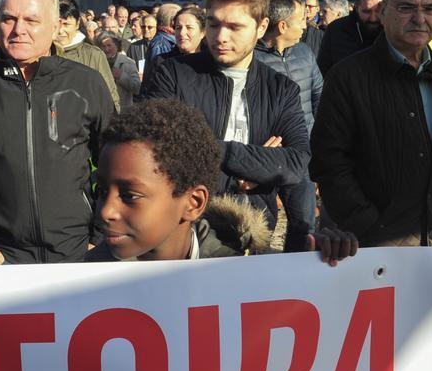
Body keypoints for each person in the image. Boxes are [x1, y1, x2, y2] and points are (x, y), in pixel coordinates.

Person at [0, 0, 114, 265]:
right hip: (1, 257)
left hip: (79, 253)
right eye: (9, 19)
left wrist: (101, 234)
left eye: (32, 20)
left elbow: (113, 163)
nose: (19, 29)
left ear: (56, 25)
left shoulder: (87, 83)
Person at [312, 0, 432, 247]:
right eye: (406, 7)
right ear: (383, 12)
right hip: (378, 247)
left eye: (429, 8)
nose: (419, 18)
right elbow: (329, 161)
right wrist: (368, 224)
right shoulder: (348, 77)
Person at [87, 98, 356, 264]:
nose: (105, 211)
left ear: (193, 203)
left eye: (130, 195)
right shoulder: (80, 285)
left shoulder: (245, 275)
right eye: (101, 191)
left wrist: (323, 269)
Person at [141, 0, 310, 233]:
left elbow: (296, 162)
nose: (220, 37)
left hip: (251, 236)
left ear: (262, 27)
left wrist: (206, 149)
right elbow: (152, 146)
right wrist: (255, 162)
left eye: (234, 27)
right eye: (213, 24)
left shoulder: (281, 89)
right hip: (179, 230)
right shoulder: (172, 74)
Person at [253, 0, 324, 251]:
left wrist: (317, 143)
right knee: (260, 227)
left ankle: (295, 277)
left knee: (305, 225)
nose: (306, 26)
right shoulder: (251, 59)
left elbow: (319, 97)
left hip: (300, 156)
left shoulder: (305, 53)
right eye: (301, 20)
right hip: (263, 156)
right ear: (282, 26)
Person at [55, 0, 120, 110]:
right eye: (56, 24)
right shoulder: (41, 53)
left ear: (77, 23)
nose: (61, 30)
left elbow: (110, 95)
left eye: (66, 24)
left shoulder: (94, 55)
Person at [316, 0, 383, 77]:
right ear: (356, 8)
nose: (373, 18)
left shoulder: (394, 32)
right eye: (366, 12)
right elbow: (323, 71)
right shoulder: (335, 30)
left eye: (378, 11)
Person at [97, 32, 140, 107]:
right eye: (103, 46)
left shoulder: (128, 63)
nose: (106, 49)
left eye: (109, 45)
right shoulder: (96, 63)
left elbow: (137, 88)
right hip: (103, 109)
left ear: (116, 45)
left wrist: (121, 76)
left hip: (123, 110)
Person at [142, 2, 181, 79]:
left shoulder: (168, 40)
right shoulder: (161, 44)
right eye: (179, 19)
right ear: (173, 21)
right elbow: (160, 77)